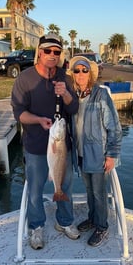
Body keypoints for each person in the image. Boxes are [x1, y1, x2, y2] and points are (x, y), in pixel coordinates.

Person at [11, 33, 80, 250]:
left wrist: (66, 95)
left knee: (65, 186)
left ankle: (65, 222)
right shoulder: (25, 79)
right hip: (34, 145)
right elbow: (19, 113)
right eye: (48, 51)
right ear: (39, 52)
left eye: (56, 52)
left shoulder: (65, 77)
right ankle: (37, 227)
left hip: (61, 146)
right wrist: (38, 120)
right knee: (35, 189)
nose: (52, 55)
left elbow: (74, 107)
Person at [67, 56, 122, 247]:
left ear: (90, 74)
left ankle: (102, 226)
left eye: (84, 70)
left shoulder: (101, 94)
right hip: (80, 154)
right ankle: (92, 218)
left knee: (99, 193)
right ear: (73, 75)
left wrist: (112, 154)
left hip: (98, 154)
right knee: (89, 191)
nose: (80, 74)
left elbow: (114, 126)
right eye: (77, 70)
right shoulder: (72, 96)